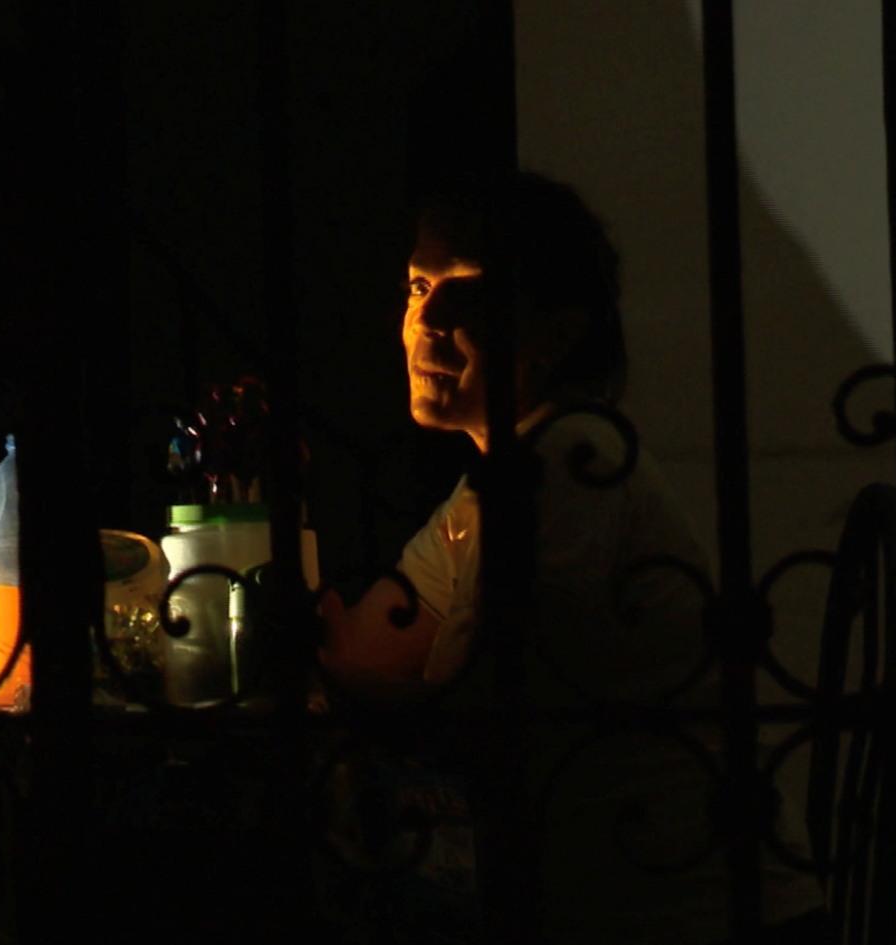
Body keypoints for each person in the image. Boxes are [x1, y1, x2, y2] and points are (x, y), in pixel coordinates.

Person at [316, 172, 829, 943]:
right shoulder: (487, 490)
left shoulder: (567, 461)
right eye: (419, 286)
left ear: (557, 332)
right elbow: (367, 649)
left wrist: (308, 680)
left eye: (468, 291)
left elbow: (482, 719)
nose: (427, 320)